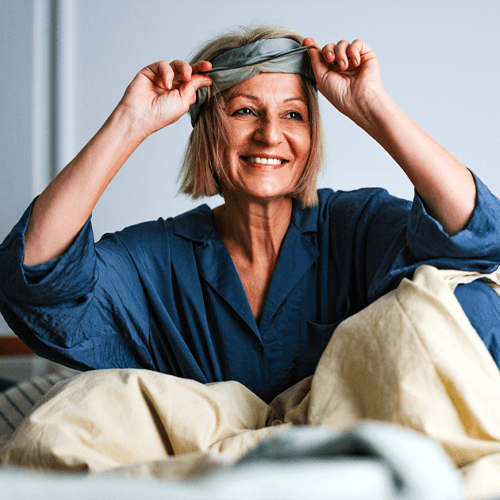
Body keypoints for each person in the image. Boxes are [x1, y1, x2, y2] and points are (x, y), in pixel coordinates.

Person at [1, 25, 500, 404]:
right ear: (208, 131)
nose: (269, 134)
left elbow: (475, 232)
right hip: (212, 464)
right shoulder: (156, 259)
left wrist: (371, 106)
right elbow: (35, 280)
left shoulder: (354, 222)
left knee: (474, 303)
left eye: (293, 114)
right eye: (244, 111)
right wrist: (130, 123)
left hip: (358, 441)